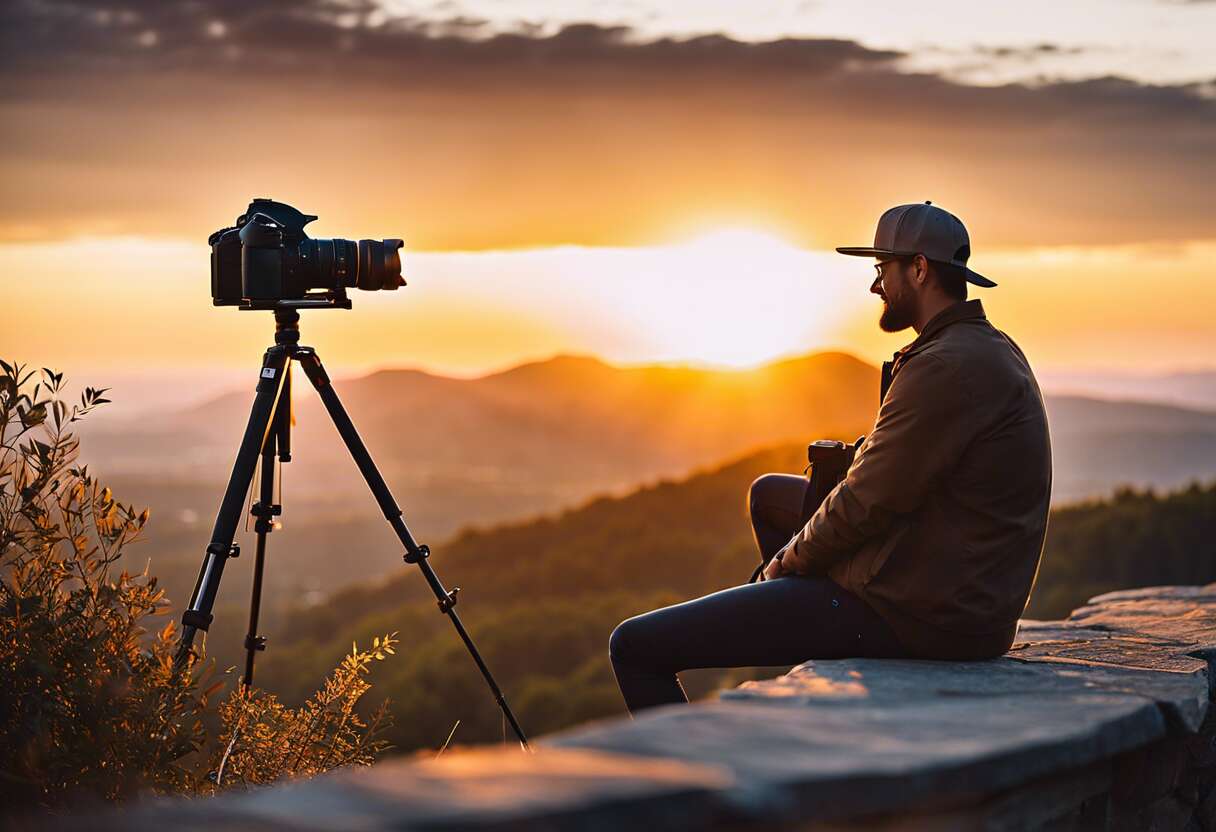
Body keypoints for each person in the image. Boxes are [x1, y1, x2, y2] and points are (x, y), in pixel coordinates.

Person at [609, 202, 1053, 714]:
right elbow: (899, 478)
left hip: (920, 615)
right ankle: (806, 642)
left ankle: (703, 766)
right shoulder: (984, 347)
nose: (875, 286)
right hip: (953, 589)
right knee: (769, 496)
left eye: (882, 269)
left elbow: (866, 501)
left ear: (919, 269)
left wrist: (784, 564)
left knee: (635, 646)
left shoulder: (944, 366)